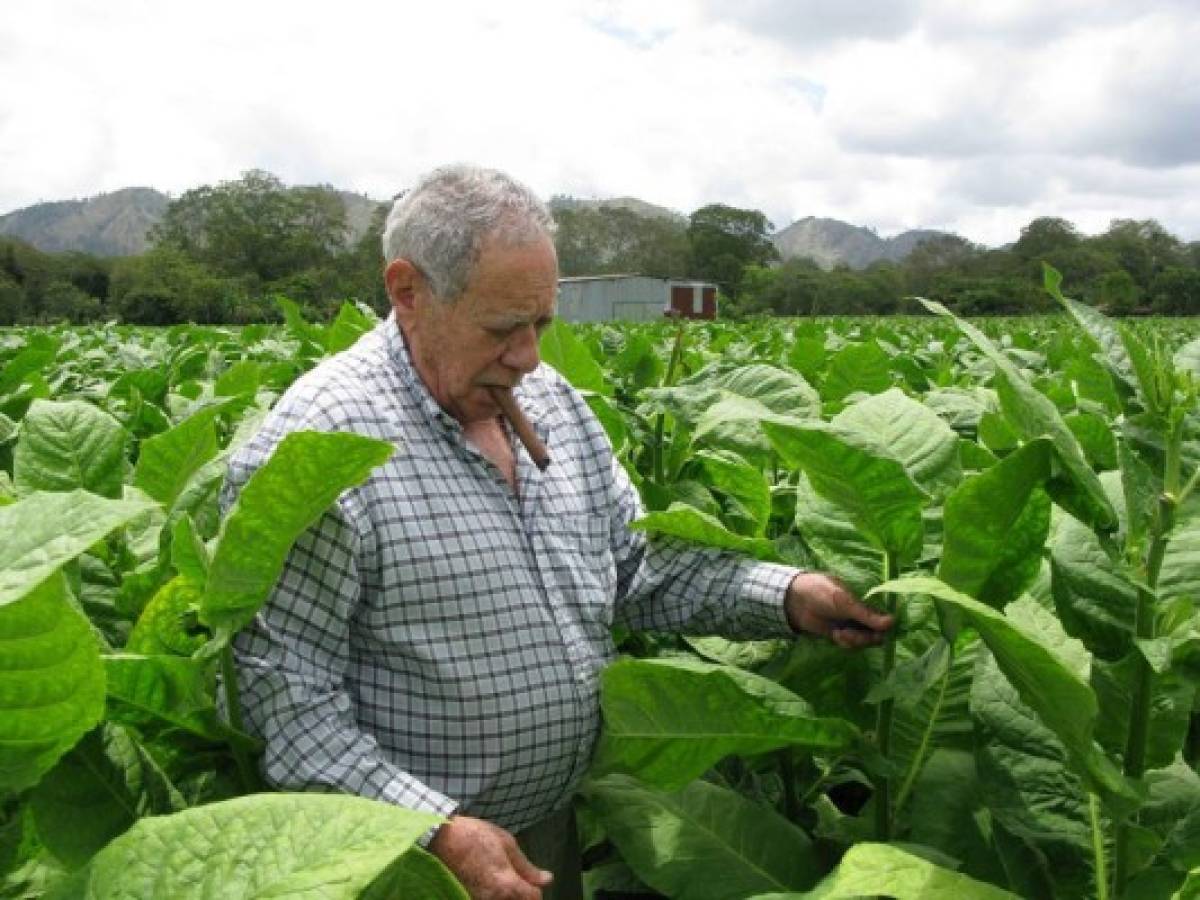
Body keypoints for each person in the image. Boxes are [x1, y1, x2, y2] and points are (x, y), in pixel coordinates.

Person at [223, 164, 892, 900]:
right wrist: (434, 830)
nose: (529, 356)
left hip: (544, 831)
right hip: (403, 864)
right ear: (407, 291)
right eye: (504, 328)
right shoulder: (318, 447)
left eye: (541, 324)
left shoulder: (552, 404)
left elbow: (635, 569)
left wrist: (789, 595)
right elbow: (280, 697)